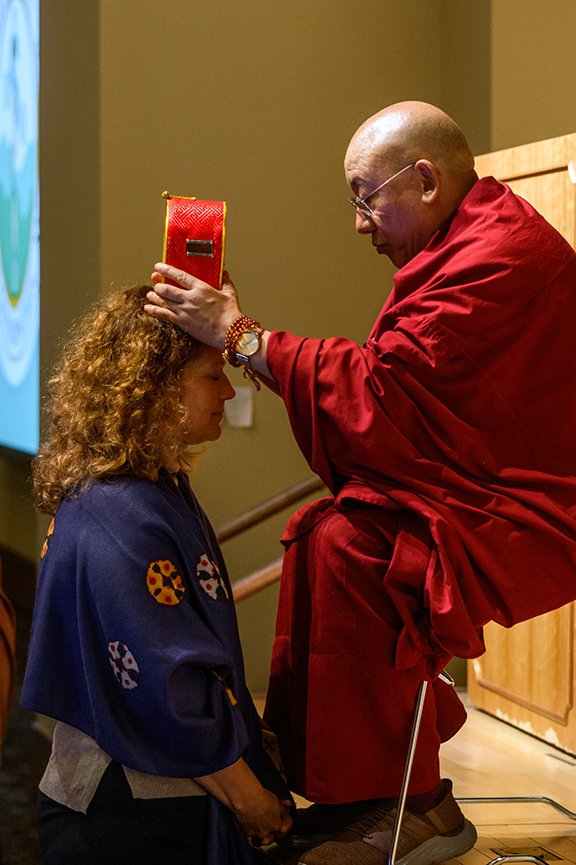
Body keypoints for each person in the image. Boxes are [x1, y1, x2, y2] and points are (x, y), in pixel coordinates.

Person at [145, 101, 576, 865]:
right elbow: (394, 400)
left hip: (532, 508)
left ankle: (406, 807)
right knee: (331, 534)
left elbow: (380, 400)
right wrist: (242, 338)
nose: (359, 223)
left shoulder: (498, 254)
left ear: (424, 180)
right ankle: (386, 798)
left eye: (364, 198)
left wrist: (242, 337)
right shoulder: (462, 240)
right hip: (482, 489)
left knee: (353, 550)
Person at [21, 285, 293, 865]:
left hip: (144, 801)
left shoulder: (152, 486)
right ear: (154, 390)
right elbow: (167, 688)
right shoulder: (123, 514)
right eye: (210, 377)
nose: (228, 392)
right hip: (128, 814)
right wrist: (252, 802)